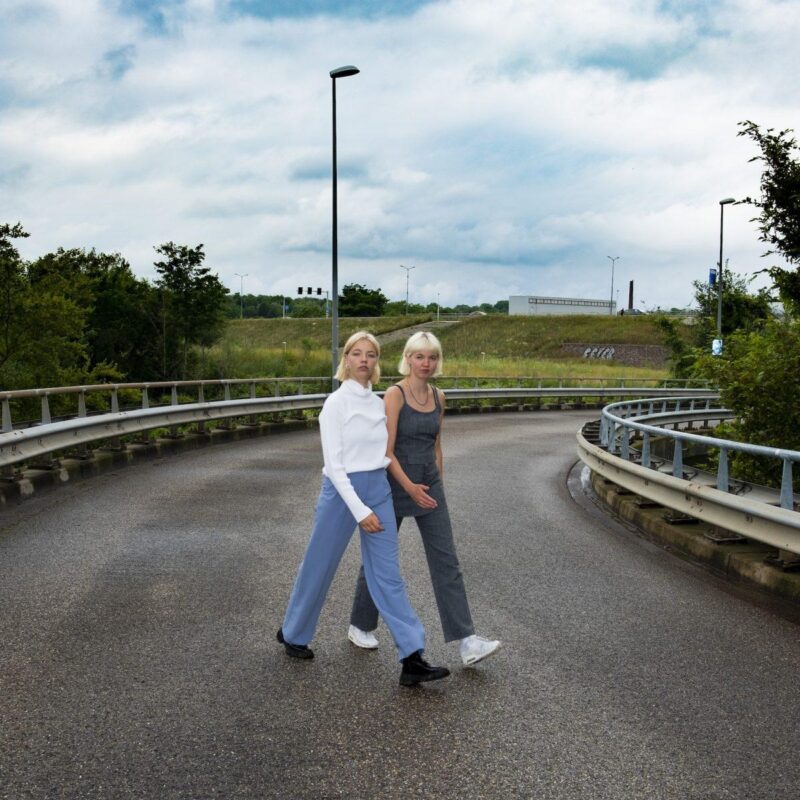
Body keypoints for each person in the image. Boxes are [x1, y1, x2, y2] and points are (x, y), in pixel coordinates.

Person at [277, 331, 450, 687]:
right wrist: (359, 510)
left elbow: (386, 454)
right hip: (342, 493)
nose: (364, 360)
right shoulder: (335, 404)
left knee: (388, 574)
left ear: (377, 362)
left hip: (378, 488)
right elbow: (335, 466)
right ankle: (293, 634)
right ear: (346, 359)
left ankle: (412, 656)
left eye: (371, 354)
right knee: (319, 565)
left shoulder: (377, 402)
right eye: (357, 353)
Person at [347, 331, 501, 667]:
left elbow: (436, 446)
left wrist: (437, 484)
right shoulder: (394, 394)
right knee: (380, 559)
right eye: (419, 356)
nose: (425, 363)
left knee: (447, 561)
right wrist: (410, 487)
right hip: (394, 483)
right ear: (408, 358)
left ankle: (467, 642)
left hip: (429, 486)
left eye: (431, 357)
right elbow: (385, 451)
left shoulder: (438, 396)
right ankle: (360, 625)